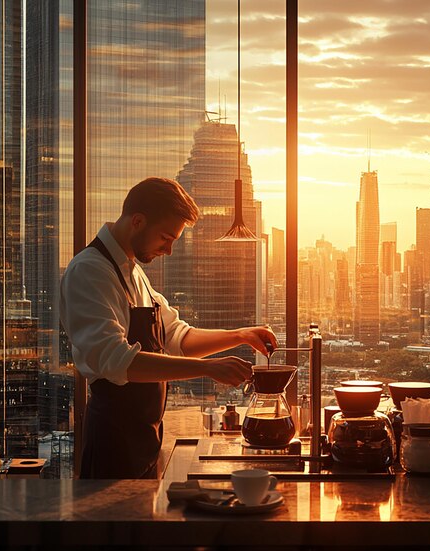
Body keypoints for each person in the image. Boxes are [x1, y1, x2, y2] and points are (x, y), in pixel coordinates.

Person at [60, 177, 276, 479]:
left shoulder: (134, 273)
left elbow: (178, 338)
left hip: (144, 440)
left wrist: (240, 335)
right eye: (166, 238)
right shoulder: (90, 271)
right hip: (113, 442)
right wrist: (207, 369)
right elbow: (116, 360)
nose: (170, 250)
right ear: (137, 221)